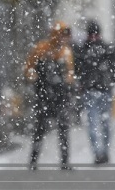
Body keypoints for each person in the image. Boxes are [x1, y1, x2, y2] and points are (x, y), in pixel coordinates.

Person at [75, 20, 115, 165]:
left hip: (102, 92)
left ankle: (102, 153)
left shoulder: (90, 50)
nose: (93, 37)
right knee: (97, 125)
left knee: (101, 125)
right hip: (96, 92)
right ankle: (100, 153)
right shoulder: (101, 49)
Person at [24, 21, 75, 170]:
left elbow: (70, 73)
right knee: (39, 130)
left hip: (61, 97)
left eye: (66, 36)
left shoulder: (66, 53)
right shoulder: (41, 49)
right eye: (62, 35)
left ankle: (65, 162)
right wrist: (32, 75)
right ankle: (33, 161)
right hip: (43, 96)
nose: (64, 39)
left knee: (63, 130)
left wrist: (68, 80)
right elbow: (29, 68)